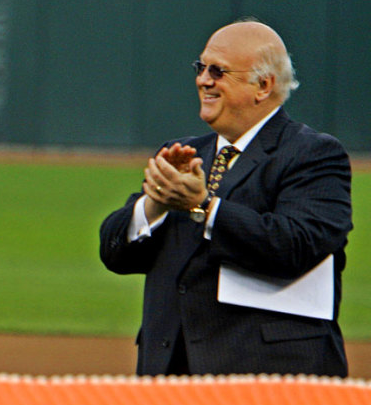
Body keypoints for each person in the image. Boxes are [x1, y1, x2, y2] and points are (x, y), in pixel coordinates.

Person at [99, 20, 351, 377]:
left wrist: (204, 206)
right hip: (171, 374)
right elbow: (115, 254)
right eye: (200, 68)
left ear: (262, 86)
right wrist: (154, 204)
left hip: (267, 379)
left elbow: (297, 244)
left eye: (218, 71)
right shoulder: (184, 155)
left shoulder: (312, 154)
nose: (203, 80)